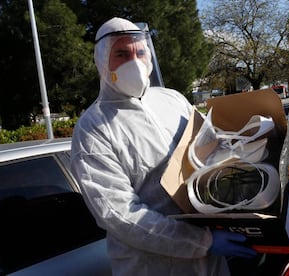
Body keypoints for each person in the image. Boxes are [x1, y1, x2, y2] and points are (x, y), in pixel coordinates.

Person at [70, 17, 257, 276]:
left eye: (140, 52)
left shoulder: (172, 99)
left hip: (211, 265)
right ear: (102, 61)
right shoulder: (93, 129)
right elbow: (119, 213)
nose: (133, 61)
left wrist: (268, 159)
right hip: (152, 268)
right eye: (121, 54)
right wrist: (202, 241)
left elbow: (214, 146)